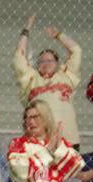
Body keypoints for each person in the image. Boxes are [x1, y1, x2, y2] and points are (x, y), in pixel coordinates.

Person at [8, 102, 85, 182]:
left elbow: (75, 167)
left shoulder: (59, 142)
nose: (30, 121)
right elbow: (22, 174)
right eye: (27, 118)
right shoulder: (19, 144)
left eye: (35, 117)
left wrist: (58, 147)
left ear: (46, 118)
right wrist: (48, 151)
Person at [15, 18, 82, 151]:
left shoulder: (65, 76)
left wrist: (58, 35)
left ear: (58, 64)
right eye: (41, 61)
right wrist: (26, 29)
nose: (46, 63)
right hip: (41, 142)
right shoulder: (31, 79)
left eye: (50, 60)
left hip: (69, 140)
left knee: (72, 172)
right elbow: (19, 55)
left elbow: (76, 50)